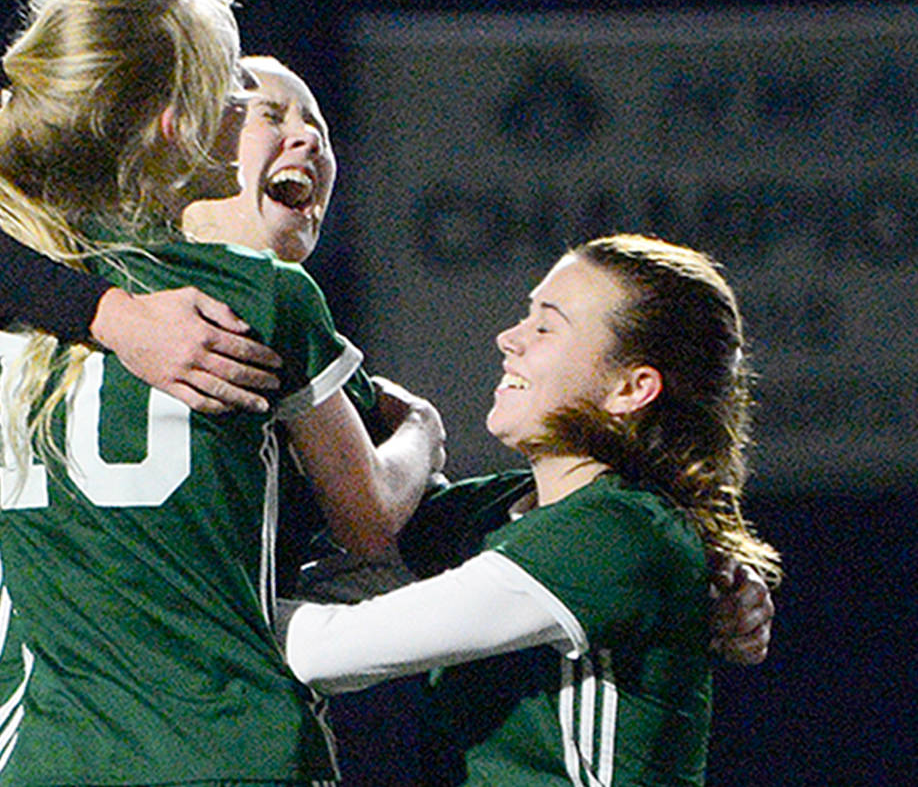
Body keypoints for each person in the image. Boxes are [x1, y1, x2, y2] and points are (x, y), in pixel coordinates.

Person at [0, 0, 446, 786]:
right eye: (244, 102)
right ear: (183, 130)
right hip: (224, 747)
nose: (301, 136)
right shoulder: (261, 305)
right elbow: (372, 520)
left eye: (319, 127)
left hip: (56, 760)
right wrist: (424, 431)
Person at [279, 234, 782, 786]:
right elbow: (344, 543)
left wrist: (420, 428)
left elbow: (325, 651)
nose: (508, 339)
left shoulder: (619, 532)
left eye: (546, 326)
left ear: (630, 388)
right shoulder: (503, 511)